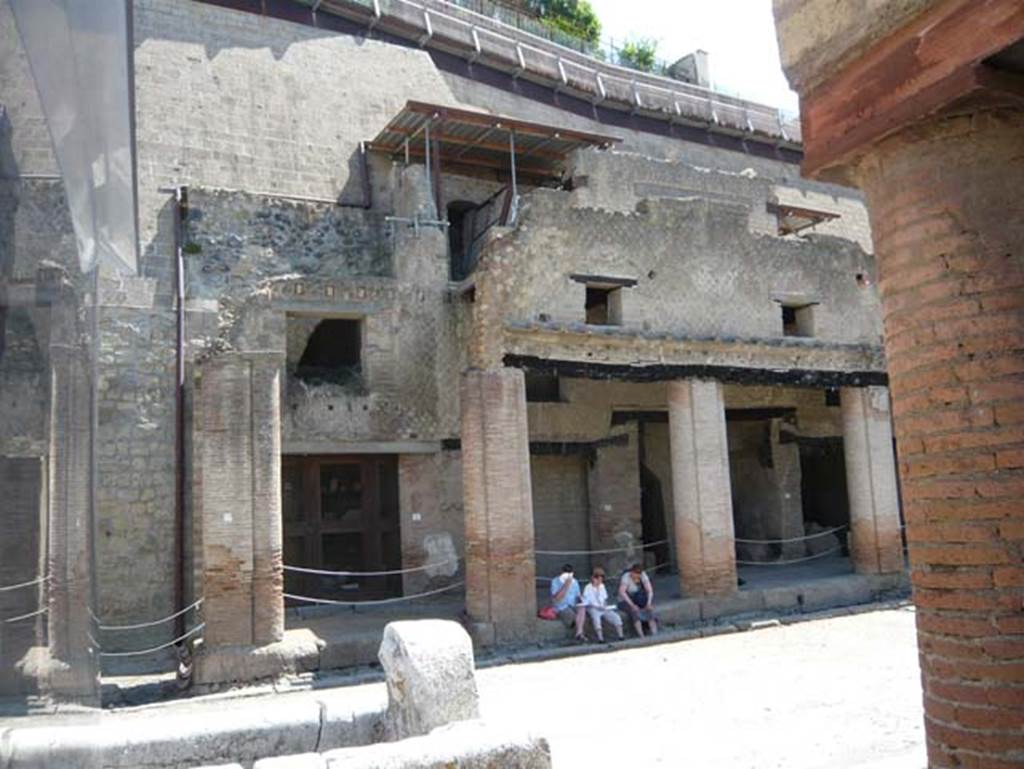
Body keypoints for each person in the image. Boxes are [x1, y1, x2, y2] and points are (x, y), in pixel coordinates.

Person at [581, 567, 624, 642]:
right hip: (593, 608)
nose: (600, 581)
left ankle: (621, 636)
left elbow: (604, 599)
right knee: (596, 617)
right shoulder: (588, 588)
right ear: (594, 578)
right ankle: (601, 638)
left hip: (602, 607)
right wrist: (596, 606)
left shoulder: (602, 586)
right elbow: (586, 602)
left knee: (616, 617)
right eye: (598, 579)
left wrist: (604, 606)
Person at [617, 562, 659, 638]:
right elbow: (622, 592)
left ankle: (654, 633)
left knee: (649, 611)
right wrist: (632, 605)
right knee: (634, 612)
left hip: (639, 598)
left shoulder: (643, 575)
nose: (637, 578)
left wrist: (649, 603)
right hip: (626, 600)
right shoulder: (626, 577)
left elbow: (649, 590)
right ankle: (641, 635)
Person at [549, 563, 586, 641]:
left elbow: (578, 595)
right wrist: (566, 585)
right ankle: (579, 634)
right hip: (561, 607)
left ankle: (579, 633)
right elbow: (557, 598)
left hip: (573, 604)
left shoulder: (575, 582)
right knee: (575, 618)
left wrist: (581, 600)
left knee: (582, 609)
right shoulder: (555, 581)